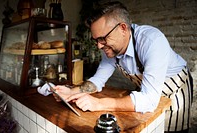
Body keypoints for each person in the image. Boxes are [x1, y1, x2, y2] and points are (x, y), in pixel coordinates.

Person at [52, 1, 193, 132]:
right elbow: (98, 80)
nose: (99, 46)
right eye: (96, 40)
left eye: (103, 38)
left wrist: (99, 103)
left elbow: (149, 100)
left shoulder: (152, 41)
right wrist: (72, 92)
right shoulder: (111, 49)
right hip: (148, 91)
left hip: (176, 89)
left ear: (123, 28)